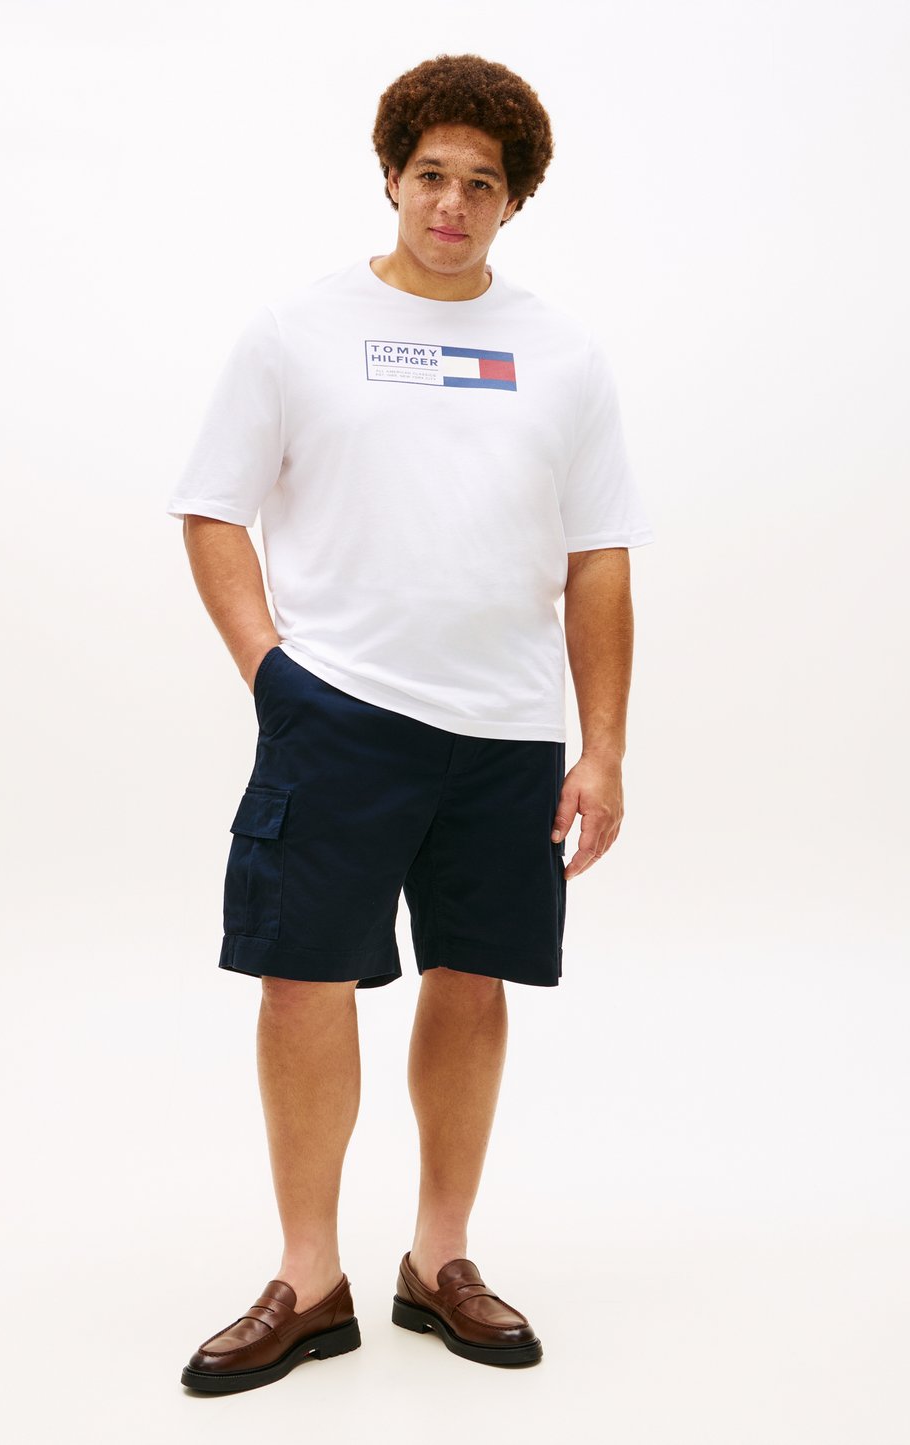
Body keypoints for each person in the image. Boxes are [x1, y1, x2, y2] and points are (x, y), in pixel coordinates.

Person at [167, 52, 654, 1394]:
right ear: (391, 176)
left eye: (480, 184)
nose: (451, 202)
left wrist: (603, 745)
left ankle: (440, 1259)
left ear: (513, 202)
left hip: (505, 733)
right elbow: (211, 506)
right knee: (302, 978)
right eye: (430, 174)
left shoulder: (563, 353)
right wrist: (272, 671)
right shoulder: (296, 332)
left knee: (472, 976)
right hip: (339, 714)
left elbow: (600, 556)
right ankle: (307, 1274)